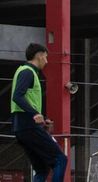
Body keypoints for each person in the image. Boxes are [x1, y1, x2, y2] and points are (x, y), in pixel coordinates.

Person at [11, 43, 67, 182]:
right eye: (46, 57)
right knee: (60, 159)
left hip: (21, 127)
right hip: (28, 125)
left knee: (42, 169)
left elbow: (26, 99)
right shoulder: (28, 72)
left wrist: (42, 118)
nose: (46, 61)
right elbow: (17, 96)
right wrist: (35, 114)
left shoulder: (22, 71)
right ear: (40, 55)